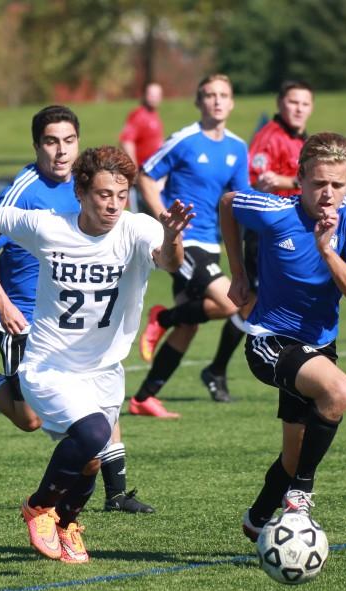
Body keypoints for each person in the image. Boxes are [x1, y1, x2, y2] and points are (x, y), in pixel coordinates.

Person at [0, 146, 191, 563]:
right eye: (102, 194)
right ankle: (39, 507)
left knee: (92, 460)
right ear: (80, 192)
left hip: (104, 370)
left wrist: (172, 236)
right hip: (49, 366)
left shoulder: (138, 229)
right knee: (94, 434)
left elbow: (168, 261)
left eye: (120, 194)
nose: (113, 204)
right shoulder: (50, 226)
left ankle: (67, 523)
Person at [0, 106, 155, 514]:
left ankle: (116, 491)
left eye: (69, 141)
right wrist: (0, 301)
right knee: (29, 420)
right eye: (52, 142)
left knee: (97, 384)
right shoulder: (25, 189)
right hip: (22, 313)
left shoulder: (89, 184)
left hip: (72, 313)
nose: (61, 151)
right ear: (37, 145)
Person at [218, 132, 346, 541]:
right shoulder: (274, 210)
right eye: (319, 183)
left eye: (337, 185)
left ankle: (256, 521)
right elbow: (229, 204)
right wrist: (238, 273)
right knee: (339, 392)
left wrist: (328, 252)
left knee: (294, 455)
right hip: (269, 341)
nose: (328, 194)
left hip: (320, 346)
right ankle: (301, 495)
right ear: (300, 178)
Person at [129, 74, 250, 418]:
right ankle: (163, 317)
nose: (216, 101)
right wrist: (166, 221)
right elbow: (146, 175)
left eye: (223, 95)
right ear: (198, 102)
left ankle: (143, 397)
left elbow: (240, 199)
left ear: (231, 102)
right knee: (233, 303)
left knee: (189, 324)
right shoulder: (184, 140)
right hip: (183, 241)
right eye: (209, 95)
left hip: (210, 243)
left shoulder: (237, 148)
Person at [199, 80, 315, 404]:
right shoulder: (269, 138)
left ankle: (221, 365)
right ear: (280, 104)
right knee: (251, 301)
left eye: (304, 104)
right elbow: (251, 184)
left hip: (294, 234)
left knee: (265, 301)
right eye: (292, 102)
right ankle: (221, 367)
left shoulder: (301, 139)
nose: (298, 109)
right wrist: (284, 182)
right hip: (267, 234)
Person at [119, 82, 164, 168]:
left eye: (157, 95)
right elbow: (127, 141)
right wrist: (133, 168)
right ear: (144, 95)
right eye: (151, 95)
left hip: (153, 167)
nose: (154, 99)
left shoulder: (154, 114)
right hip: (142, 169)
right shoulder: (139, 115)